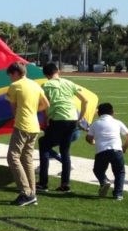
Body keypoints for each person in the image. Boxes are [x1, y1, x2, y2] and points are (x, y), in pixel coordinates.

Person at [37, 63, 89, 193]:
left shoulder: (46, 85)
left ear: (45, 75)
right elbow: (85, 100)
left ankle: (43, 183)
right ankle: (65, 184)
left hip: (58, 119)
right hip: (72, 119)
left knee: (43, 144)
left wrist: (46, 118)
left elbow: (44, 105)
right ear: (58, 71)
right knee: (65, 151)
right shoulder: (69, 83)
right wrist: (81, 117)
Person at [5, 62, 49, 206]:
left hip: (22, 125)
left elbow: (13, 108)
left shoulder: (15, 86)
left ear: (16, 73)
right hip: (34, 126)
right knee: (27, 159)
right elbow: (46, 105)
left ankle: (26, 192)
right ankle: (32, 193)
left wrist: (20, 115)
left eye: (11, 75)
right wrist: (33, 110)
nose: (10, 78)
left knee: (13, 157)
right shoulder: (35, 85)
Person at [86, 102, 128, 200]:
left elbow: (89, 138)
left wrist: (93, 142)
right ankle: (118, 194)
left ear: (98, 113)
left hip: (101, 150)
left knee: (98, 170)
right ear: (113, 112)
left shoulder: (95, 123)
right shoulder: (118, 122)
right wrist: (124, 148)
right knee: (119, 172)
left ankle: (104, 181)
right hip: (116, 150)